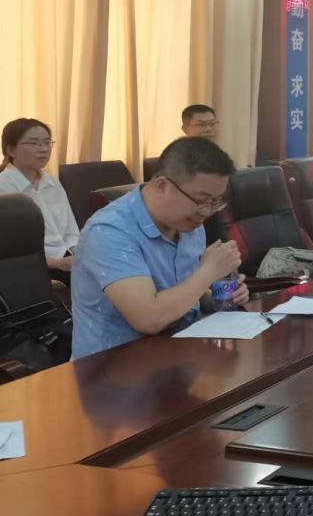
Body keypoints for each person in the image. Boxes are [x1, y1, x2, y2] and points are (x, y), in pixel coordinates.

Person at [70, 137, 250, 360]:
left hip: (179, 356)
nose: (207, 212)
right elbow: (149, 318)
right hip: (112, 368)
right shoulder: (110, 230)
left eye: (216, 202)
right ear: (163, 186)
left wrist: (216, 297)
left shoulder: (190, 224)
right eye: (201, 200)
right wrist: (208, 272)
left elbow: (183, 291)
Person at [0, 118, 80, 286]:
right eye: (34, 143)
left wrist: (82, 255)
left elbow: (71, 233)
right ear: (10, 150)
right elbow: (9, 250)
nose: (43, 149)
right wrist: (56, 263)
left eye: (47, 143)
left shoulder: (53, 184)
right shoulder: (3, 188)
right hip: (28, 266)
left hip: (66, 260)